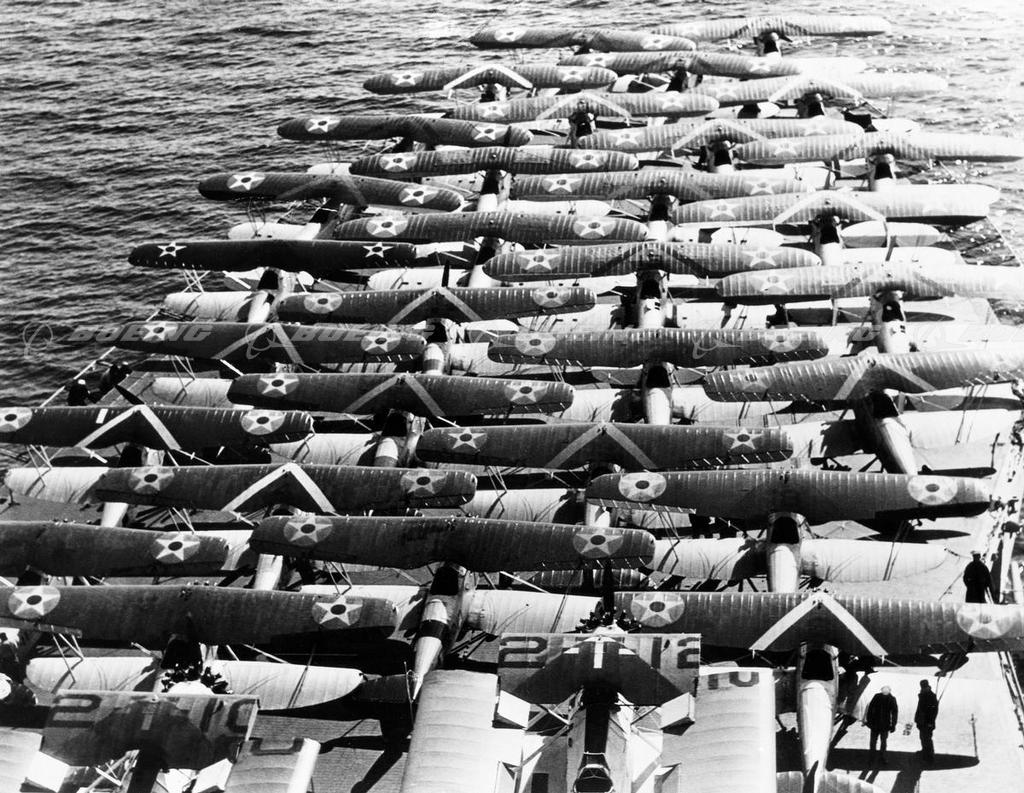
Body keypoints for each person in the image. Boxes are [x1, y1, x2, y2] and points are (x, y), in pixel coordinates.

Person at [865, 686, 899, 764]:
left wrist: (869, 721)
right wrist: (893, 725)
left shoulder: (878, 697)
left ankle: (873, 757)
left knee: (875, 741)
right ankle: (880, 757)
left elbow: (870, 709)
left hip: (877, 724)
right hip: (883, 725)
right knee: (882, 741)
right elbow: (894, 713)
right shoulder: (891, 698)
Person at [915, 680, 939, 762]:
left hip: (928, 722)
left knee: (927, 738)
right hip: (922, 721)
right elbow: (920, 709)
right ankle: (925, 751)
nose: (922, 688)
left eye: (923, 687)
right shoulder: (923, 695)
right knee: (923, 737)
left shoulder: (930, 696)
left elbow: (934, 711)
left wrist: (930, 722)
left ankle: (929, 756)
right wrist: (917, 719)